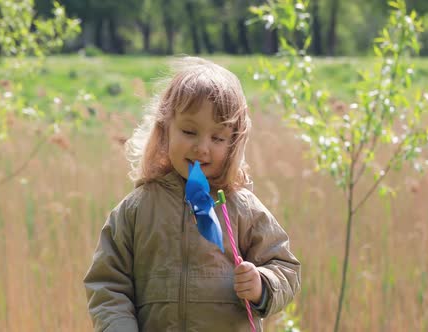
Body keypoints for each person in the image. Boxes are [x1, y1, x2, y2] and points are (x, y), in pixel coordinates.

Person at [83, 56, 301, 331]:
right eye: (189, 131)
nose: (201, 148)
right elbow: (107, 284)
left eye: (218, 138)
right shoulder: (137, 208)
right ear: (165, 130)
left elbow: (286, 268)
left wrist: (262, 284)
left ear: (233, 143)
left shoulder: (242, 206)